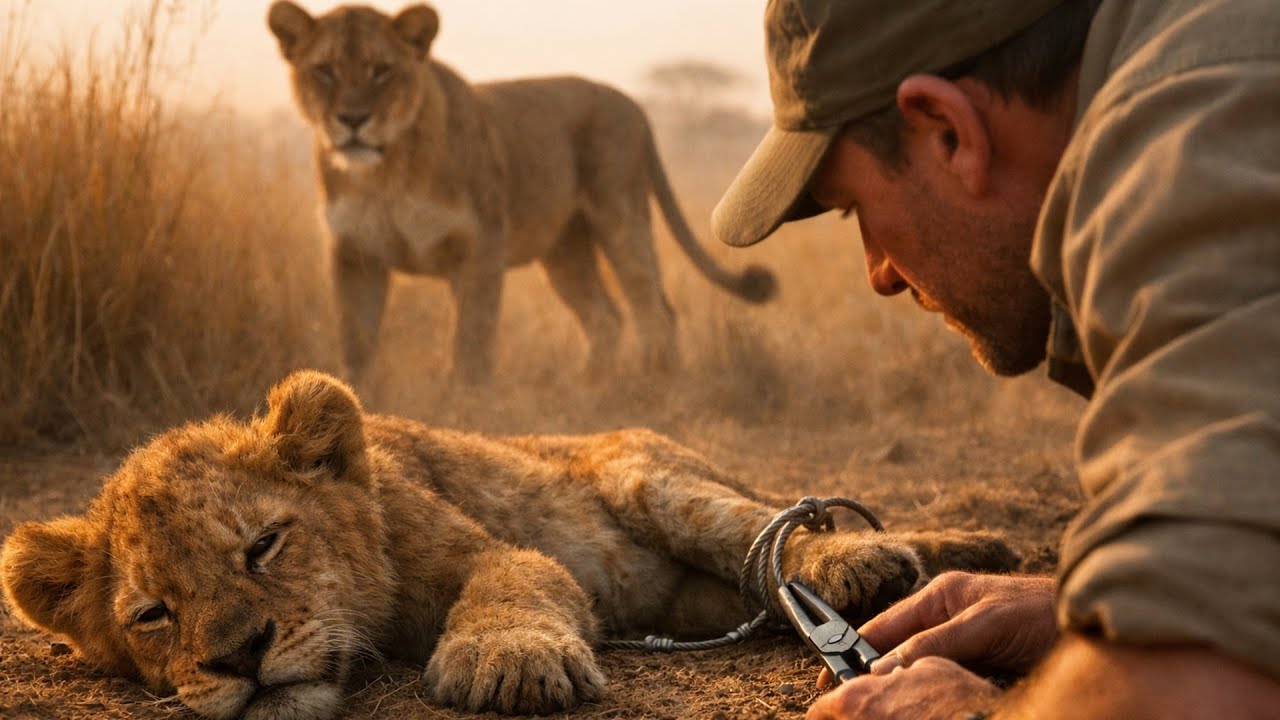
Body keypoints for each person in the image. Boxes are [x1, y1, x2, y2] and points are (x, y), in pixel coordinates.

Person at [712, 0, 1280, 718]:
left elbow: (1204, 696)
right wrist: (1087, 609)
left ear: (948, 132)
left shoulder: (1196, 140)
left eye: (854, 207)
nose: (878, 273)